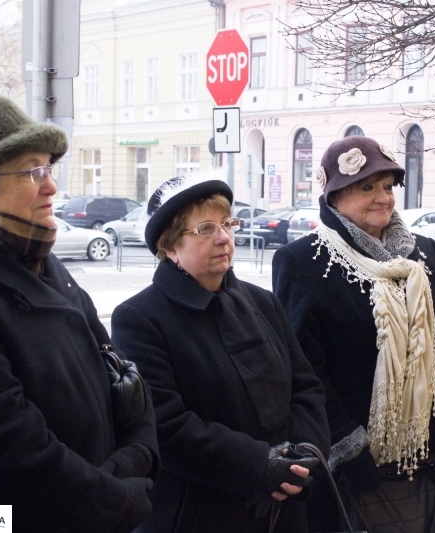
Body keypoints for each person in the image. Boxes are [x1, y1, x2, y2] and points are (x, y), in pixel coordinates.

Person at [0, 95, 159, 532]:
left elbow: (120, 372)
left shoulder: (44, 264)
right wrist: (113, 500)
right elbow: (5, 456)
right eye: (31, 171)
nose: (51, 187)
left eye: (48, 168)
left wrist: (138, 454)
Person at [273, 136, 435, 533]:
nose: (383, 197)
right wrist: (346, 449)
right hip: (353, 471)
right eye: (367, 187)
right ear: (335, 195)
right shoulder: (303, 262)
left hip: (429, 458)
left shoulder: (426, 254)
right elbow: (304, 369)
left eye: (387, 186)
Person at [111, 175, 330, 533]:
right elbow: (165, 424)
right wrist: (259, 465)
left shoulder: (262, 302)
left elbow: (305, 386)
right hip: (202, 511)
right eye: (205, 229)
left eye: (227, 224)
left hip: (284, 507)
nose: (225, 237)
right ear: (170, 247)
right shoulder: (139, 318)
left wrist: (303, 457)